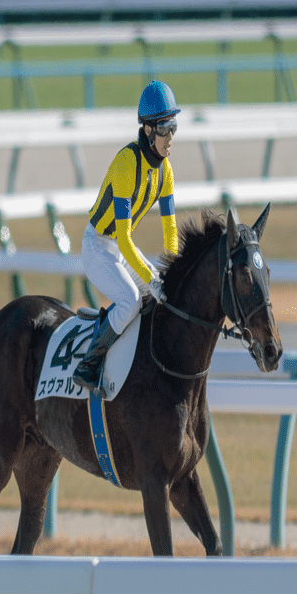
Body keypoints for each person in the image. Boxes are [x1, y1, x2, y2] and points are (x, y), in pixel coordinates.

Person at [72, 80, 181, 396]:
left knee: (162, 295)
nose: (171, 135)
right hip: (98, 247)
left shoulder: (166, 171)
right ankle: (89, 364)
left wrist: (170, 273)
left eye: (174, 125)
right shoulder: (125, 165)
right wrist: (151, 277)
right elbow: (122, 238)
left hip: (121, 250)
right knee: (132, 299)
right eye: (165, 127)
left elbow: (170, 231)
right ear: (147, 130)